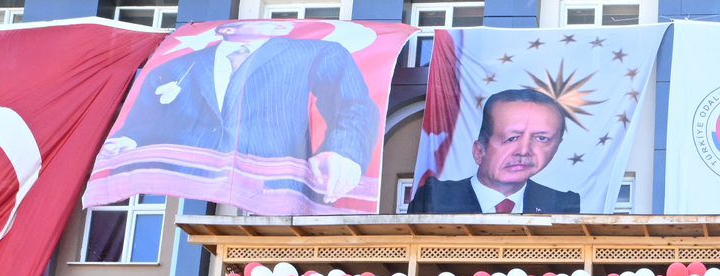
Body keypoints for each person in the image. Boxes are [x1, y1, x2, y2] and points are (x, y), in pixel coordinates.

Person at [107, 20, 378, 209]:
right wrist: (129, 140)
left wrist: (344, 152)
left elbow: (353, 105)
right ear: (224, 29)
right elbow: (146, 120)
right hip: (193, 188)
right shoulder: (177, 66)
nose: (274, 24)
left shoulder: (314, 53)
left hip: (276, 190)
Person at [408, 88, 581, 214]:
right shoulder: (434, 199)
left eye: (541, 138)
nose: (523, 151)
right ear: (479, 151)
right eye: (512, 138)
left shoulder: (561, 206)